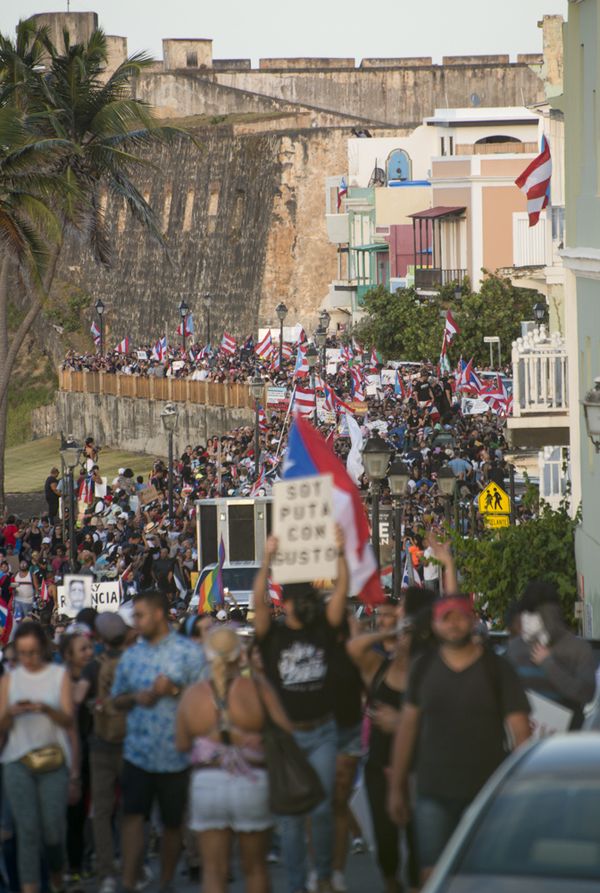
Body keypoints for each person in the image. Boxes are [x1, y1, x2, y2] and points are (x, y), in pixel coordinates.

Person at [388, 595, 531, 884]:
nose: (454, 624)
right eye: (446, 617)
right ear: (435, 625)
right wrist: (396, 787)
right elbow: (408, 728)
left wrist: (522, 790)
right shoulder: (422, 667)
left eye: (460, 616)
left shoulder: (497, 669)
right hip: (433, 792)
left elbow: (521, 732)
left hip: (488, 792)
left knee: (484, 875)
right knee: (432, 874)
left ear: (473, 620)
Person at [253, 529, 349, 893]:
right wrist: (267, 560)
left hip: (323, 731)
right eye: (298, 599)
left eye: (308, 598)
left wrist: (339, 553)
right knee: (291, 820)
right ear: (285, 604)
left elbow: (341, 593)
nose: (304, 604)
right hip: (288, 738)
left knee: (322, 807)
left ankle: (322, 875)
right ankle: (295, 885)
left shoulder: (323, 629)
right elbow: (259, 605)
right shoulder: (273, 636)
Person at [176, 625, 290, 893]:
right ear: (241, 656)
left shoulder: (193, 696)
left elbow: (181, 743)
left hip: (208, 781)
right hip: (252, 780)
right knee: (256, 868)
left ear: (206, 655)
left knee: (214, 872)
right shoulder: (257, 689)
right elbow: (286, 731)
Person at [111, 590, 207, 893]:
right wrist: (135, 697)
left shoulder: (189, 652)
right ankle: (129, 880)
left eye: (139, 615)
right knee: (133, 816)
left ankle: (166, 881)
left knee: (173, 823)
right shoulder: (131, 655)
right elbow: (115, 700)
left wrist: (175, 691)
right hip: (137, 751)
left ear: (158, 614)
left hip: (176, 753)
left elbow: (206, 700)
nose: (135, 622)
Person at [0, 621, 76, 893]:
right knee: (28, 831)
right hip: (17, 761)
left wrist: (46, 709)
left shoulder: (59, 676)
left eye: (32, 652)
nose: (28, 659)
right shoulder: (10, 680)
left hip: (54, 760)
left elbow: (68, 720)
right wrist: (11, 713)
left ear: (43, 649)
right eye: (22, 653)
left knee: (52, 831)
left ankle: (57, 875)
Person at [74, 613, 131, 893]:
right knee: (129, 808)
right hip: (131, 743)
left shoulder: (93, 667)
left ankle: (106, 871)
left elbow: (76, 699)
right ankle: (132, 866)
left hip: (99, 743)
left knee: (101, 809)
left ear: (98, 637)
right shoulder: (133, 662)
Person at [507, 579, 596, 730]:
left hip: (565, 744)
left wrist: (549, 664)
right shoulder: (515, 649)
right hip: (524, 743)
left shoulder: (578, 649)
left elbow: (586, 694)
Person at [60, 626, 95, 888]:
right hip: (62, 750)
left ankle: (77, 864)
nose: (89, 653)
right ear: (68, 655)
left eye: (89, 647)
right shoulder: (58, 679)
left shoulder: (92, 675)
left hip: (87, 749)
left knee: (80, 812)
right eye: (82, 649)